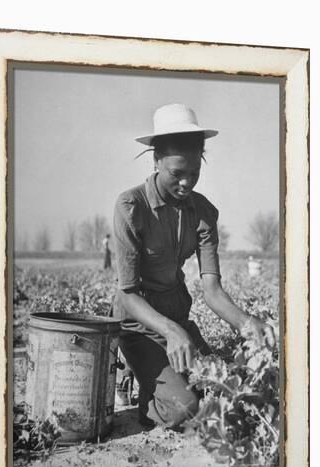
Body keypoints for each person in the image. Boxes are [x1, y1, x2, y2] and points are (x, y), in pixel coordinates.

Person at [113, 103, 275, 429]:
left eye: (194, 173)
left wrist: (247, 324)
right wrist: (170, 331)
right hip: (138, 324)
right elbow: (128, 293)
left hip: (178, 321)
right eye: (177, 173)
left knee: (222, 385)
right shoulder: (132, 207)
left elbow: (212, 289)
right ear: (156, 161)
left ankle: (156, 375)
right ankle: (135, 377)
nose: (187, 183)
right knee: (186, 408)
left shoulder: (203, 213)